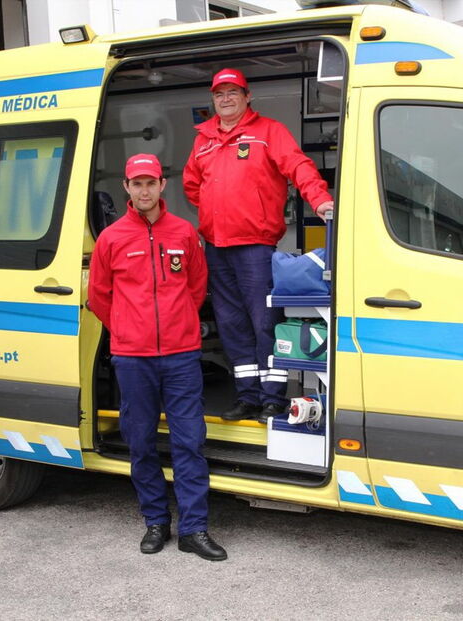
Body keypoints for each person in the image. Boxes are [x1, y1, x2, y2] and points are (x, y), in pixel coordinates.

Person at [88, 153, 226, 561]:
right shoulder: (111, 239)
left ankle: (194, 530)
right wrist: (127, 329)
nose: (144, 190)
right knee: (141, 442)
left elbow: (196, 287)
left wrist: (177, 323)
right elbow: (99, 296)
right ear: (127, 188)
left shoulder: (184, 233)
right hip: (133, 358)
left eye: (151, 182)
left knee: (189, 442)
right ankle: (155, 522)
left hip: (181, 356)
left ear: (162, 185)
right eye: (137, 183)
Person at [183, 67, 334, 423]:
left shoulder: (269, 132)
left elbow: (298, 166)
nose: (226, 99)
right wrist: (216, 212)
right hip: (216, 246)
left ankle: (272, 398)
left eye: (233, 92)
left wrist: (319, 199)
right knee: (231, 324)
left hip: (255, 245)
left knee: (264, 322)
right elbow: (192, 185)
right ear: (213, 100)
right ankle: (247, 396)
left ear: (247, 96)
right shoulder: (203, 140)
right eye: (219, 94)